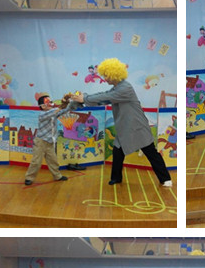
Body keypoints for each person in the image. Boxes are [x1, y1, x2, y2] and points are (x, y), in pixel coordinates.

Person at [72, 58, 172, 187]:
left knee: (151, 152)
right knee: (117, 152)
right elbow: (104, 95)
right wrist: (85, 97)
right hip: (124, 127)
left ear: (114, 74)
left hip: (137, 127)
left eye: (107, 75)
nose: (105, 78)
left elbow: (106, 97)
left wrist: (85, 98)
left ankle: (165, 179)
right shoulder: (117, 88)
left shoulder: (125, 88)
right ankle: (116, 178)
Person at [24, 93, 75, 185]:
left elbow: (63, 110)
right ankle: (29, 177)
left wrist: (68, 103)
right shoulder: (42, 115)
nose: (51, 103)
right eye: (48, 102)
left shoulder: (53, 112)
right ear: (43, 106)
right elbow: (55, 111)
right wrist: (62, 105)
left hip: (50, 142)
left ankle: (57, 176)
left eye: (51, 101)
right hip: (40, 142)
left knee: (53, 160)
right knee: (36, 161)